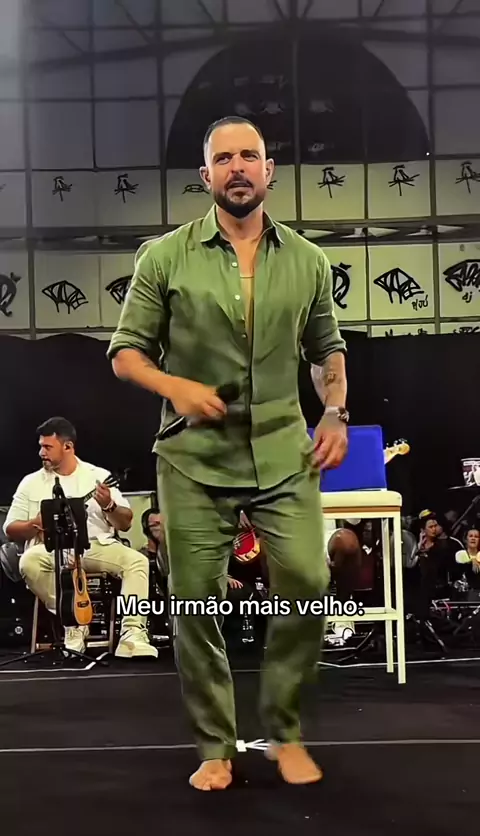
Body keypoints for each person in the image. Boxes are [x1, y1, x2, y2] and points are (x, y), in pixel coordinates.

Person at [107, 116, 348, 790]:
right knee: (194, 601)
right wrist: (175, 386)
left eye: (250, 156)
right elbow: (126, 353)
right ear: (205, 174)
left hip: (283, 453)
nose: (238, 167)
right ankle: (216, 745)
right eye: (224, 158)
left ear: (268, 170)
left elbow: (326, 350)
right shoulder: (164, 257)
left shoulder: (308, 260)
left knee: (308, 581)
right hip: (193, 459)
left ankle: (284, 732)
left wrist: (334, 411)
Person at [3, 417, 157, 659]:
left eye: (47, 447)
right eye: (41, 446)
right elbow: (10, 529)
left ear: (68, 446)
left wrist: (108, 506)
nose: (41, 452)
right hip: (51, 549)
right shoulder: (30, 483)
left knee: (137, 561)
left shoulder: (98, 476)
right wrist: (36, 523)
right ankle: (74, 622)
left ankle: (133, 635)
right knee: (28, 562)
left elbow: (125, 523)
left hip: (95, 545)